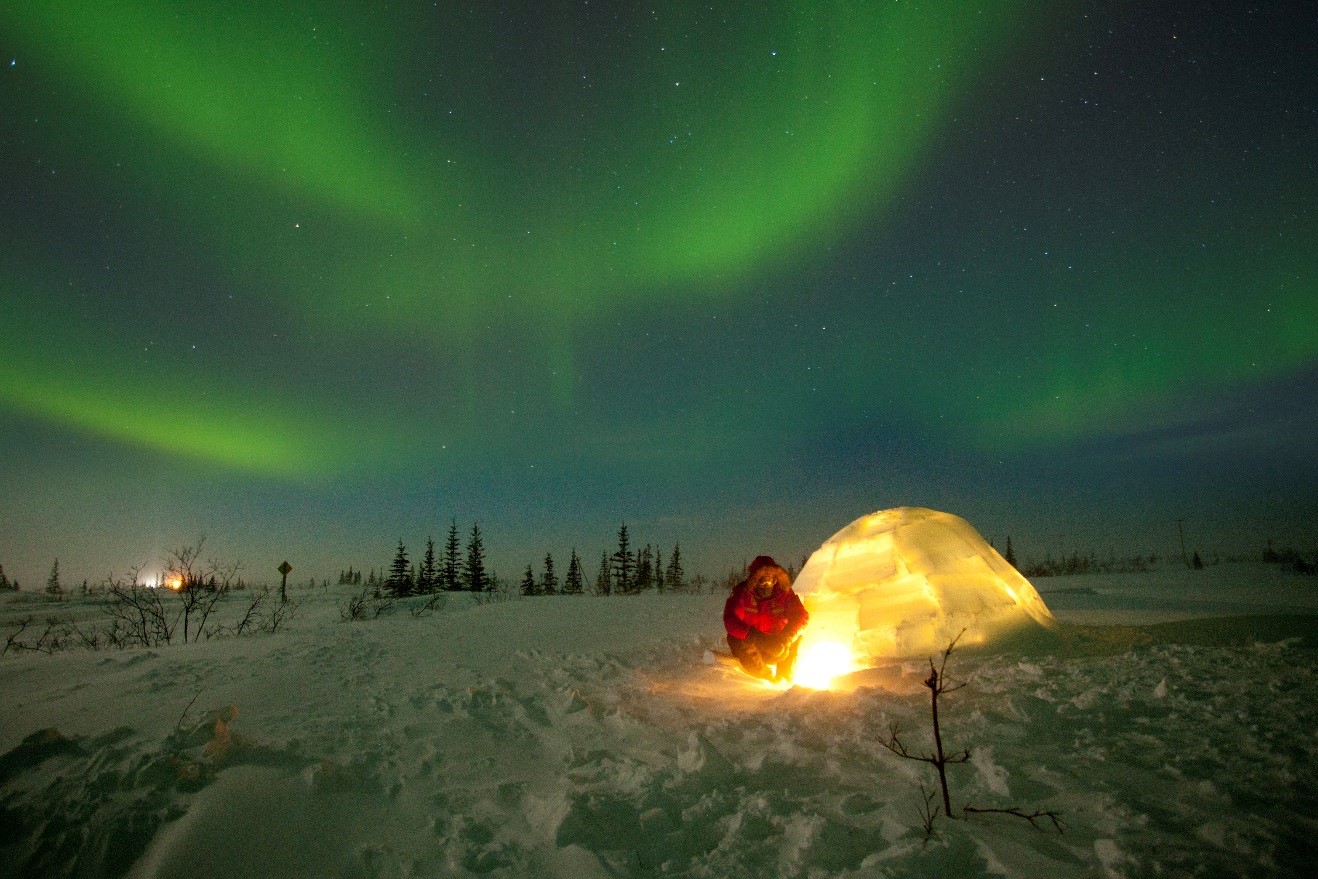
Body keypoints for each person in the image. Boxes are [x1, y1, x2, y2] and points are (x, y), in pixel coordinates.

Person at [723, 555, 808, 681]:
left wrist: (787, 636)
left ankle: (785, 676)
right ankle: (765, 676)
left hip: (779, 642)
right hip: (754, 644)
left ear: (776, 577)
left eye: (770, 578)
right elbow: (731, 619)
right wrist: (754, 636)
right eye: (762, 579)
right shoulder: (742, 594)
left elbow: (801, 615)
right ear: (754, 579)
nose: (766, 583)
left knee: (798, 636)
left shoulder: (784, 593)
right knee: (735, 638)